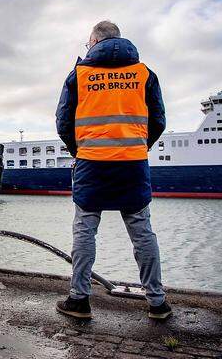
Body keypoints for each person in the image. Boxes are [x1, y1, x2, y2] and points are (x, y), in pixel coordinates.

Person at [55, 21, 171, 319]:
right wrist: (137, 147)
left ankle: (79, 300)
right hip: (132, 165)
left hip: (91, 164)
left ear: (94, 41)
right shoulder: (144, 74)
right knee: (142, 233)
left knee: (84, 231)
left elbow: (63, 121)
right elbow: (158, 119)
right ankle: (157, 303)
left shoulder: (79, 76)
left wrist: (79, 151)